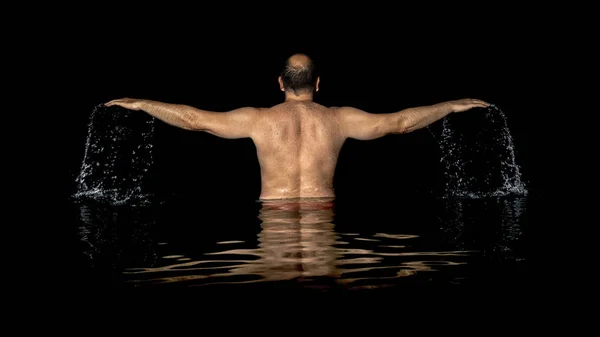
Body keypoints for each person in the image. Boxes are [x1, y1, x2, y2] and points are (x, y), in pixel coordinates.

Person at [105, 53, 489, 201]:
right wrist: (451, 105)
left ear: (280, 83)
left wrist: (142, 103)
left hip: (271, 218)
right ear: (318, 84)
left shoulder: (257, 119)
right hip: (325, 215)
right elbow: (402, 123)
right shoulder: (340, 119)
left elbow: (192, 119)